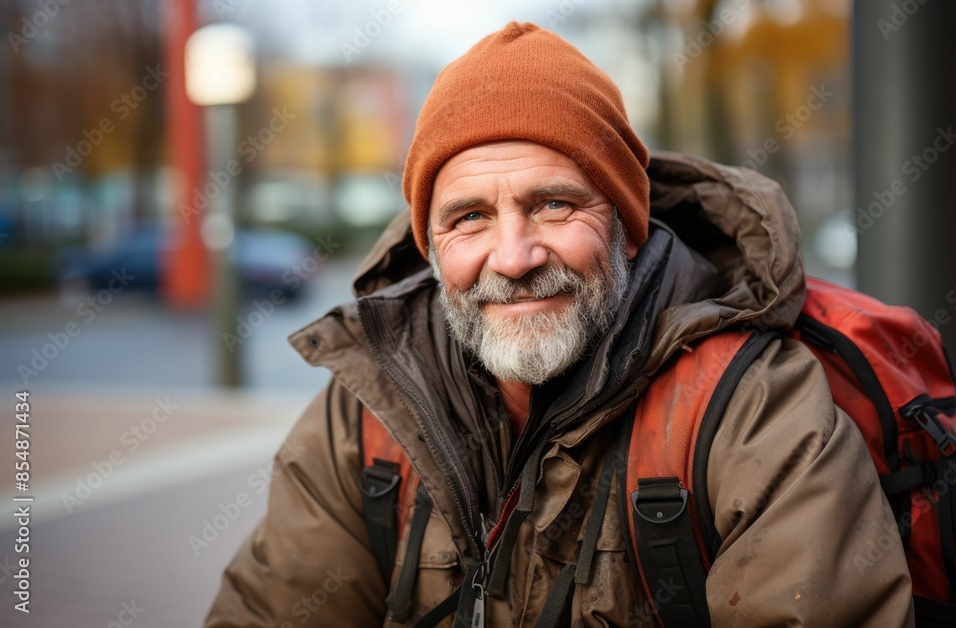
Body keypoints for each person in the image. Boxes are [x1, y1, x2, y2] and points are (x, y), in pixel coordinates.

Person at [205, 22, 914, 627]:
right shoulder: (365, 415)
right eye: (470, 217)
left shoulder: (753, 410)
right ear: (431, 245)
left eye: (554, 205)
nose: (512, 259)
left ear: (628, 229)